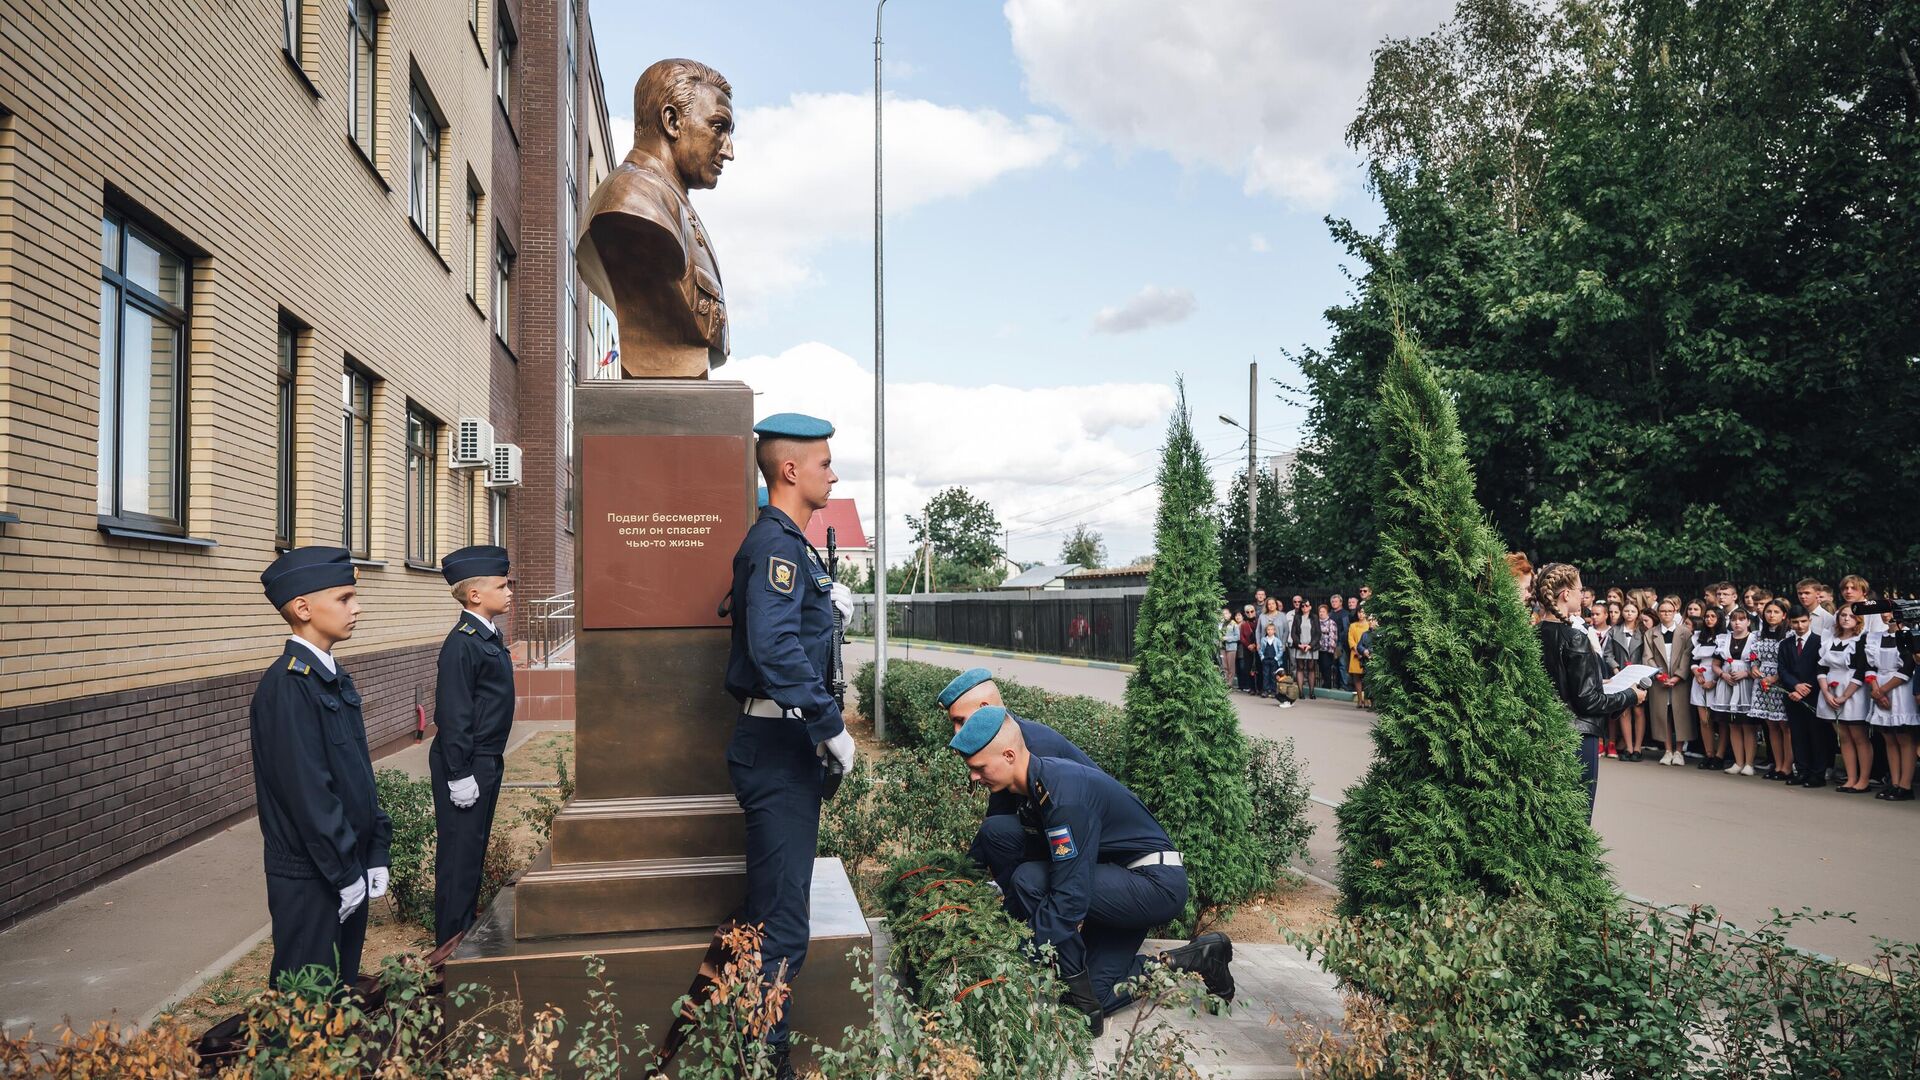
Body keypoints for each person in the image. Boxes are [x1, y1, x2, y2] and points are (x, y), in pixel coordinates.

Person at [949, 705, 1232, 1032]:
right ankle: (1196, 958)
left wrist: (1015, 954)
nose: (973, 776)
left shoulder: (1064, 798)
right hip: (1114, 880)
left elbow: (1070, 900)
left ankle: (1079, 978)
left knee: (1033, 881)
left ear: (1009, 755)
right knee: (1098, 992)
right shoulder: (1034, 784)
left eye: (979, 767)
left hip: (1152, 884)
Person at [721, 411, 857, 1073]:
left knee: (774, 909)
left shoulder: (791, 545)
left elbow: (790, 630)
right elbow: (772, 645)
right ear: (790, 469)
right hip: (778, 747)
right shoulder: (777, 545)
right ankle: (762, 1059)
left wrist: (827, 605)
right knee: (783, 926)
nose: (834, 473)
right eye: (825, 462)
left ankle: (752, 1044)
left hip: (782, 745)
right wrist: (829, 724)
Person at [250, 546, 391, 988]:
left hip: (343, 865)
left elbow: (357, 777)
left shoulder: (330, 675)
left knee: (339, 993)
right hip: (313, 877)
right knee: (305, 1006)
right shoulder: (288, 687)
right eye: (345, 598)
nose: (357, 607)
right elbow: (309, 793)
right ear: (303, 607)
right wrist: (344, 871)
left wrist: (374, 851)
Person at [938, 668, 1099, 891]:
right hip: (1059, 836)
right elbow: (996, 818)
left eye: (960, 720)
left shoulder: (1036, 748)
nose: (956, 732)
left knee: (1022, 872)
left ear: (985, 709)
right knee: (995, 830)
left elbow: (1059, 832)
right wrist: (962, 878)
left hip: (1091, 847)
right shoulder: (1002, 748)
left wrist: (1003, 884)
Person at [429, 545, 516, 947]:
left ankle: (464, 932)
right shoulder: (462, 642)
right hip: (467, 762)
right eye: (502, 584)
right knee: (459, 857)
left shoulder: (487, 636)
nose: (510, 590)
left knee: (473, 850)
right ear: (476, 595)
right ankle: (448, 944)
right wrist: (459, 773)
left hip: (486, 759)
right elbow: (454, 713)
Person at [1534, 563, 1642, 819]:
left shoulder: (1535, 633)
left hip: (1547, 731)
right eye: (1579, 590)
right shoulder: (1575, 637)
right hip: (1578, 736)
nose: (1583, 596)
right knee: (1577, 816)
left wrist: (1598, 682)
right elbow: (1588, 702)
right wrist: (1630, 696)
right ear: (1565, 595)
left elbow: (1561, 681)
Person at [1819, 605, 1874, 794]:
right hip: (1830, 690)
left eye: (1851, 615)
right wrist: (1826, 693)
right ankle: (1850, 778)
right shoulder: (1830, 639)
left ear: (1858, 619)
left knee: (1859, 737)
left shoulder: (1862, 639)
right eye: (1843, 615)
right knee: (1843, 737)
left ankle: (1863, 780)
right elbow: (1821, 668)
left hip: (1853, 691)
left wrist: (1844, 696)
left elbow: (1861, 669)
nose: (1846, 618)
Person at [1867, 610, 1916, 801]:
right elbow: (1870, 665)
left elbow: (1907, 667)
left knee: (1904, 738)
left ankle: (1905, 785)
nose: (1886, 615)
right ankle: (1894, 783)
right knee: (1889, 737)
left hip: (1900, 689)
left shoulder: (1908, 635)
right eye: (1884, 612)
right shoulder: (1875, 636)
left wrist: (1883, 690)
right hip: (1879, 685)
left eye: (1890, 611)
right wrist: (1875, 689)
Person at [1642, 595, 1696, 766]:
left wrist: (1678, 676)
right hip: (1660, 680)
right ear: (1658, 613)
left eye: (1669, 611)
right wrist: (1658, 675)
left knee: (1680, 714)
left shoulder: (1685, 633)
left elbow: (1687, 656)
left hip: (1679, 681)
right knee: (1662, 714)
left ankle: (1679, 751)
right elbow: (1647, 657)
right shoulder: (1651, 633)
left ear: (1675, 612)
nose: (1666, 614)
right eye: (1663, 611)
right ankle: (1667, 750)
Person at [1779, 604, 1829, 787]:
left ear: (1809, 620)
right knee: (1798, 734)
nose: (1800, 626)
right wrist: (1794, 686)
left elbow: (1822, 667)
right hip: (1792, 694)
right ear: (1790, 623)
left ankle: (1818, 773)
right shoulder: (1785, 644)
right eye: (1795, 622)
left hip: (1813, 694)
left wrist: (1807, 688)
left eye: (1803, 621)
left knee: (1816, 734)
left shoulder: (1819, 641)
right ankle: (1802, 770)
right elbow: (1782, 669)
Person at [1751, 599, 1793, 781]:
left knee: (1785, 726)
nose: (1771, 615)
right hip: (1762, 681)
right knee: (1771, 725)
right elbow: (1754, 656)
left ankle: (1787, 766)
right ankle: (1777, 764)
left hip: (1780, 680)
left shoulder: (1789, 635)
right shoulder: (1759, 635)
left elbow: (1790, 661)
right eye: (1768, 612)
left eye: (1776, 612)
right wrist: (1754, 667)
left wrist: (1775, 678)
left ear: (1784, 615)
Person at [1715, 607, 1759, 776]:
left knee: (1747, 725)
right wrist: (1723, 675)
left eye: (1741, 619)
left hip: (1746, 685)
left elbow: (1759, 663)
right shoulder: (1724, 639)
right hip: (1728, 684)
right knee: (1733, 724)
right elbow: (1715, 664)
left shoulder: (1754, 639)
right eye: (1734, 620)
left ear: (1748, 622)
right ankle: (1738, 761)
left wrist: (1746, 673)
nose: (1737, 623)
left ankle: (1749, 763)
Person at [1605, 601, 1645, 760]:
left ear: (1638, 613)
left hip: (1639, 675)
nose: (1629, 613)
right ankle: (1628, 748)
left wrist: (1641, 672)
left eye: (1632, 611)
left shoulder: (1643, 630)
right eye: (1626, 610)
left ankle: (1638, 748)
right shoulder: (1615, 630)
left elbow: (1647, 653)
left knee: (1638, 710)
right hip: (1620, 675)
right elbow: (1608, 654)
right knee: (1624, 710)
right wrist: (1615, 669)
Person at [1690, 606, 1725, 770]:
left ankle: (1720, 755)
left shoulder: (1725, 637)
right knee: (1704, 720)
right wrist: (1696, 673)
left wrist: (1715, 681)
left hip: (1718, 677)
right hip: (1700, 678)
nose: (1709, 619)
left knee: (1720, 720)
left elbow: (1726, 661)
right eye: (1707, 616)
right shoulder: (1699, 636)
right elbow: (1693, 659)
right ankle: (1709, 753)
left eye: (1713, 616)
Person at [1290, 598, 1317, 699]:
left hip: (1311, 646)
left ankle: (1312, 692)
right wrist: (1299, 644)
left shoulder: (1314, 617)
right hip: (1300, 646)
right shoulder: (1297, 617)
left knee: (1311, 668)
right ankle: (1301, 692)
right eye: (1302, 606)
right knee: (1300, 668)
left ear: (1310, 607)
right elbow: (1293, 633)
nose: (1304, 608)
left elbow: (1318, 633)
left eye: (1306, 606)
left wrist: (1311, 645)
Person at [1346, 605, 1371, 709]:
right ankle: (1359, 700)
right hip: (1355, 654)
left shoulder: (1369, 625)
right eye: (1359, 612)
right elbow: (1350, 639)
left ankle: (1366, 700)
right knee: (1357, 678)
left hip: (1366, 654)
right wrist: (1357, 650)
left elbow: (1370, 639)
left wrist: (1364, 651)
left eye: (1363, 612)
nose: (1361, 614)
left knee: (1366, 678)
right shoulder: (1353, 625)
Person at [1315, 602, 1340, 695]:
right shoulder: (1316, 622)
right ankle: (1324, 683)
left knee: (1326, 668)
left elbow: (1333, 637)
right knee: (1320, 667)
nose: (1321, 613)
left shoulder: (1331, 622)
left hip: (1327, 649)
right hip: (1318, 649)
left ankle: (1327, 685)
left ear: (1327, 612)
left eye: (1323, 611)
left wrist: (1331, 650)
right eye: (1320, 611)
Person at [1330, 594, 1353, 690]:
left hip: (1341, 644)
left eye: (1336, 601)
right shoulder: (1330, 614)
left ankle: (1345, 685)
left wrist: (1340, 641)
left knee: (1343, 665)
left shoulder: (1345, 614)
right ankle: (1336, 685)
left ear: (1341, 602)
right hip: (1331, 644)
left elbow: (1347, 629)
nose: (1334, 603)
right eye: (1332, 602)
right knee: (1334, 665)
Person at [1259, 620, 1285, 700]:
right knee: (1265, 675)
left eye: (1271, 630)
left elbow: (1281, 650)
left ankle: (1273, 691)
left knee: (1273, 675)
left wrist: (1277, 658)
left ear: (1274, 631)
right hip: (1266, 659)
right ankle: (1265, 690)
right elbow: (1260, 649)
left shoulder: (1277, 640)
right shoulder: (1263, 639)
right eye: (1268, 630)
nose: (1270, 631)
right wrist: (1262, 657)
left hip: (1274, 660)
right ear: (1266, 631)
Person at [1218, 607, 1239, 687]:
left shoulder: (1233, 623)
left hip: (1231, 648)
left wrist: (1227, 638)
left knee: (1231, 666)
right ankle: (1225, 681)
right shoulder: (1219, 624)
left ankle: (1230, 682)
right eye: (1223, 614)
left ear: (1230, 615)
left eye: (1226, 613)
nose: (1224, 615)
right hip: (1222, 647)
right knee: (1224, 666)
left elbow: (1237, 637)